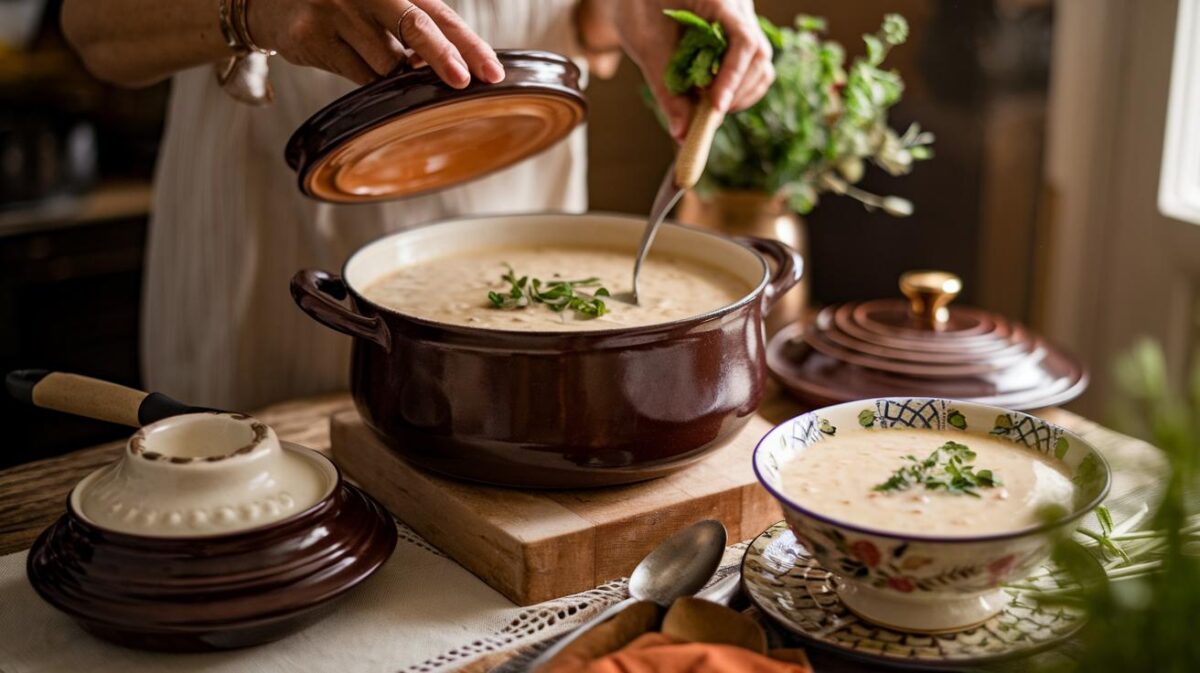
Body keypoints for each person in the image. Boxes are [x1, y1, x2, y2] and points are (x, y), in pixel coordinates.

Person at [60, 0, 774, 410]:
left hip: (520, 196)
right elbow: (91, 29)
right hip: (263, 232)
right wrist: (258, 8)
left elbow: (584, 22)